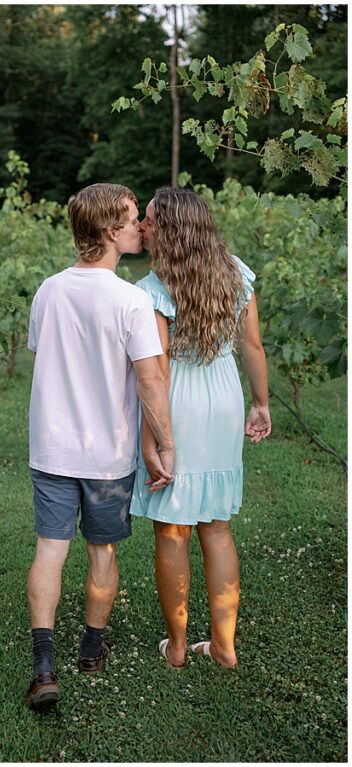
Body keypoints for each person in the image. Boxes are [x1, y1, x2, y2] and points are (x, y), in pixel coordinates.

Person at [24, 183, 175, 711]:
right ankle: (91, 647)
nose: (140, 228)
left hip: (51, 447)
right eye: (134, 220)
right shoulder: (132, 300)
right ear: (111, 231)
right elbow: (151, 382)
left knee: (50, 550)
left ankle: (44, 664)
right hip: (107, 454)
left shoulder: (48, 290)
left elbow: (44, 354)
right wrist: (166, 443)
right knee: (101, 551)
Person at [130, 188, 270, 669]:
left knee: (172, 529)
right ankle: (225, 647)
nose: (142, 227)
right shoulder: (235, 271)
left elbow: (159, 371)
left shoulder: (153, 288)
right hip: (226, 396)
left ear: (168, 230)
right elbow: (252, 347)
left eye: (148, 221)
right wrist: (262, 403)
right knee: (218, 528)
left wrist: (152, 438)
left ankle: (176, 648)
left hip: (180, 403)